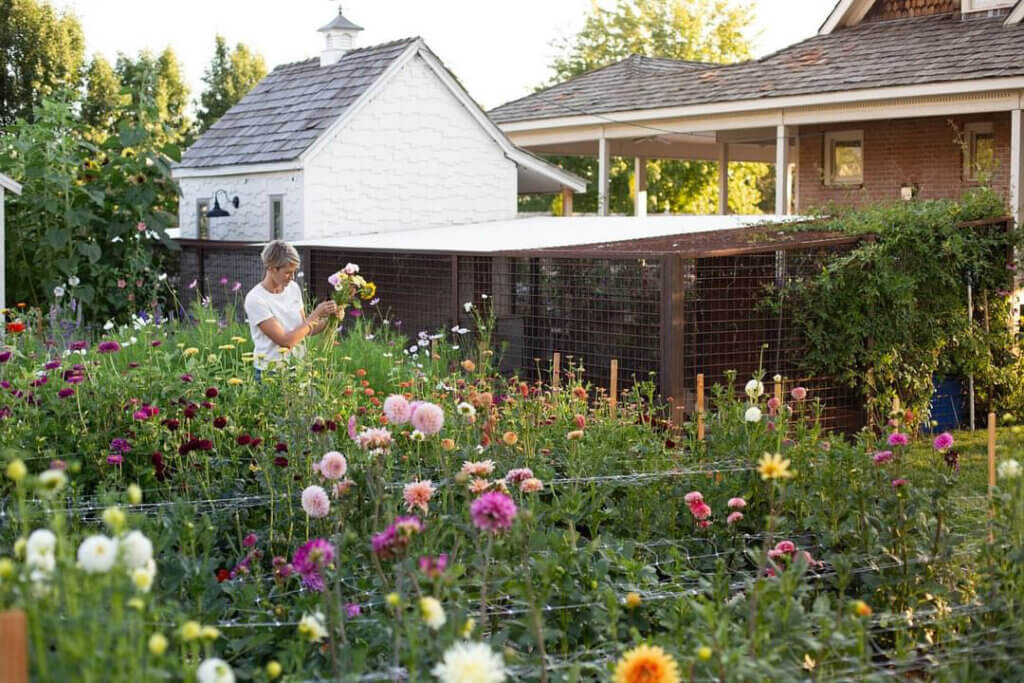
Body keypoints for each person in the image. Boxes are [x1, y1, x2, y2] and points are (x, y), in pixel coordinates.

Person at [244, 240, 337, 379]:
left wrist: (331, 318)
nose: (292, 277)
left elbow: (305, 330)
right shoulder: (256, 299)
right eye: (287, 272)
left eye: (294, 272)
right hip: (271, 372)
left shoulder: (293, 288)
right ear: (271, 268)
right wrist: (316, 315)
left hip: (299, 367)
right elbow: (285, 341)